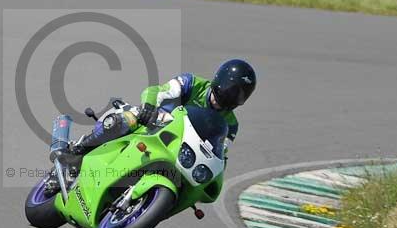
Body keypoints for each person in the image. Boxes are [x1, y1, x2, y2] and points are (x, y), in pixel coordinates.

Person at [69, 59, 257, 159]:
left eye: (238, 94)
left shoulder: (231, 125)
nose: (230, 96)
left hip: (180, 150)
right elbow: (157, 91)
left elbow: (220, 153)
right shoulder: (192, 83)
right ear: (218, 80)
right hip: (155, 122)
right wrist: (149, 107)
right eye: (229, 89)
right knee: (127, 119)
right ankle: (80, 146)